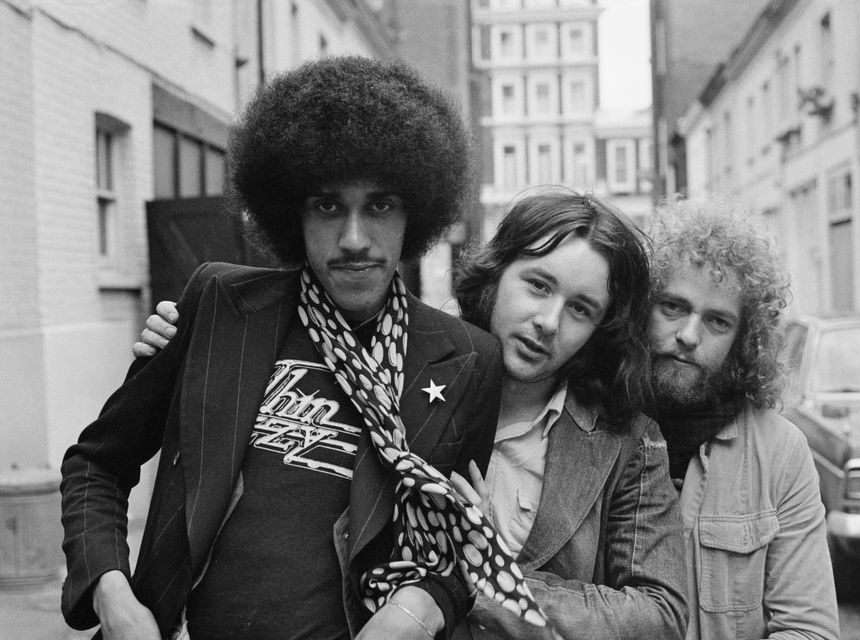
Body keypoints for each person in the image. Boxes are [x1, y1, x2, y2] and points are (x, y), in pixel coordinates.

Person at [61, 56, 541, 640]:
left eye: (380, 205)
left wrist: (420, 610)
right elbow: (97, 465)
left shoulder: (466, 359)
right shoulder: (218, 305)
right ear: (294, 211)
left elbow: (460, 542)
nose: (354, 239)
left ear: (415, 212)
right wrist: (113, 596)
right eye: (328, 206)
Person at [137, 188, 689, 640]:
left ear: (601, 328)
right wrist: (188, 342)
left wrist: (483, 575)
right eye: (538, 285)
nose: (548, 320)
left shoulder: (623, 440)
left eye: (580, 308)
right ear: (498, 272)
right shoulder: (388, 360)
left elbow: (660, 613)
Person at [645, 197, 840, 639]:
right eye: (672, 307)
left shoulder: (780, 451)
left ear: (743, 339)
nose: (688, 335)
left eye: (717, 321)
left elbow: (809, 630)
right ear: (642, 307)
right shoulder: (593, 427)